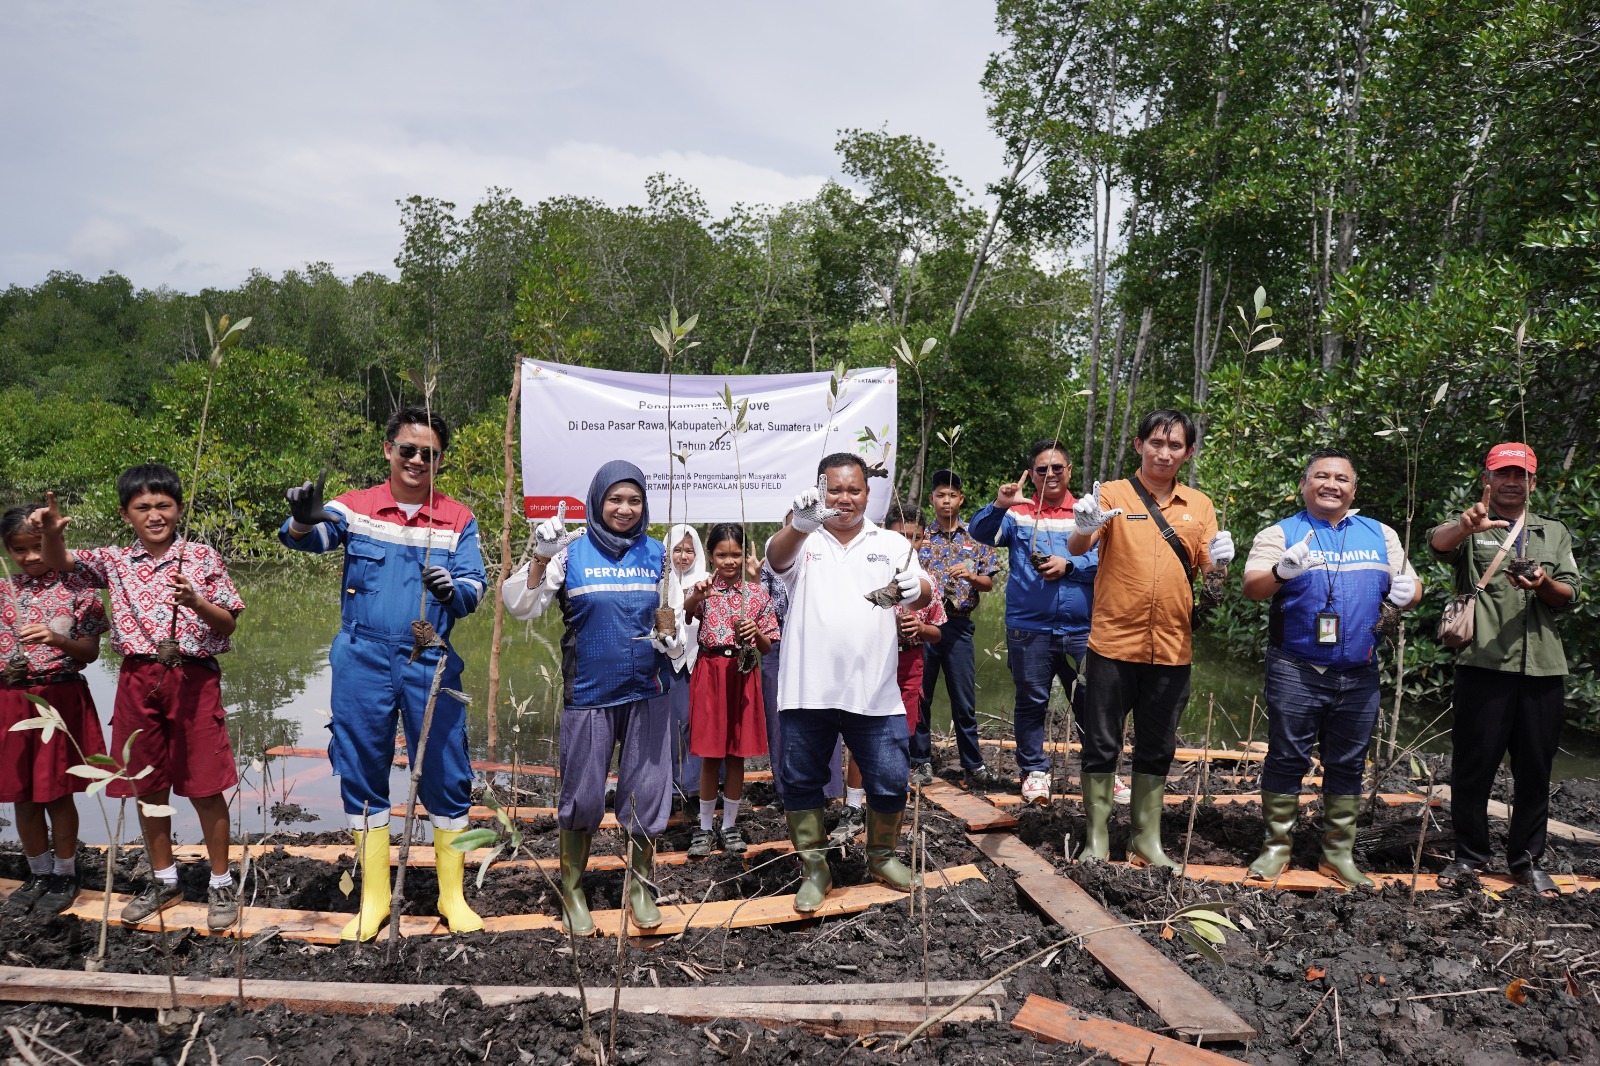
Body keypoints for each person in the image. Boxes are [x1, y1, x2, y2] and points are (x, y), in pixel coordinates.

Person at [280, 406, 487, 941]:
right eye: (409, 449)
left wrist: (452, 592)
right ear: (388, 450)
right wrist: (303, 517)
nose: (418, 459)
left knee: (445, 767)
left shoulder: (458, 519)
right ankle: (373, 898)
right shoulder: (355, 508)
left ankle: (451, 895)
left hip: (429, 656)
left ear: (440, 459)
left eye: (430, 453)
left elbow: (474, 589)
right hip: (363, 656)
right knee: (361, 765)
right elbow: (307, 537)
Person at [32, 466, 245, 931]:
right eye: (142, 507)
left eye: (163, 505)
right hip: (137, 677)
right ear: (126, 514)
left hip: (192, 676)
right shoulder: (114, 560)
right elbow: (60, 562)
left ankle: (222, 883)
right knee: (146, 782)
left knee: (206, 785)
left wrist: (196, 603)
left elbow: (227, 623)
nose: (155, 515)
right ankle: (165, 880)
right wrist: (49, 533)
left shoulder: (202, 557)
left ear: (180, 509)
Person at [502, 460, 681, 933]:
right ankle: (574, 891)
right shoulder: (570, 553)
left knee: (646, 792)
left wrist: (674, 640)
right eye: (615, 499)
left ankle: (641, 886)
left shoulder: (659, 555)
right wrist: (538, 558)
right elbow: (520, 605)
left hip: (650, 691)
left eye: (634, 500)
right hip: (590, 694)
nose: (625, 509)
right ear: (597, 501)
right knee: (582, 796)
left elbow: (679, 624)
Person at [1240, 450, 1421, 887]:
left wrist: (1408, 593)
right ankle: (1276, 848)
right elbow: (1252, 588)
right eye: (1321, 476)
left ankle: (1337, 854)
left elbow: (1412, 587)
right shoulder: (1281, 532)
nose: (1331, 484)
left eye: (1341, 478)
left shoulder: (1381, 534)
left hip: (1359, 671)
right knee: (1286, 757)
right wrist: (1282, 571)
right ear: (1304, 485)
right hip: (1296, 667)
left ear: (1353, 490)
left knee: (1349, 762)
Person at [1066, 410, 1233, 868]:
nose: (1165, 452)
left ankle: (1146, 840)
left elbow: (1211, 579)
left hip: (1173, 648)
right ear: (1139, 445)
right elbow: (1078, 548)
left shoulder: (1200, 505)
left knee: (1158, 744)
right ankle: (1097, 838)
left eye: (1175, 445)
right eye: (1156, 443)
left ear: (1189, 452)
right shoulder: (1113, 494)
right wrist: (1083, 524)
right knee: (1102, 743)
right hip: (1113, 644)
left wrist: (1222, 561)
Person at [766, 453, 932, 913]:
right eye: (834, 490)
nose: (844, 499)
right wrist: (799, 526)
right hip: (806, 687)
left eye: (853, 490)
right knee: (800, 781)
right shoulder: (802, 538)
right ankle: (815, 868)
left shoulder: (891, 542)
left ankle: (881, 856)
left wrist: (915, 588)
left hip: (874, 690)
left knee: (891, 778)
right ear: (821, 491)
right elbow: (776, 560)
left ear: (867, 493)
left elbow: (925, 589)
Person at [1429, 442, 1578, 898]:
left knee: (1535, 769)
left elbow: (1569, 594)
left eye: (1521, 475)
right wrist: (1462, 526)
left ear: (1533, 482)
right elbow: (1439, 544)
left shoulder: (1553, 532)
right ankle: (1470, 855)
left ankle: (1527, 861)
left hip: (1544, 671)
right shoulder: (1471, 524)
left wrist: (1543, 582)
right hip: (1484, 665)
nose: (1511, 482)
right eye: (1502, 474)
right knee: (1474, 766)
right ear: (1486, 479)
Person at [971, 441, 1098, 805]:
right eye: (1042, 469)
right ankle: (1034, 772)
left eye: (1058, 467)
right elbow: (980, 535)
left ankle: (1098, 771)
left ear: (1070, 470)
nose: (1051, 474)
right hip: (1030, 628)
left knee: (1092, 701)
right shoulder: (1018, 513)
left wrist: (1070, 566)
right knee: (1031, 701)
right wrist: (1000, 504)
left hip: (1082, 629)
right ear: (1032, 474)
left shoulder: (1087, 512)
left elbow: (1107, 561)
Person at [0, 504, 109, 917]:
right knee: (23, 796)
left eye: (37, 546)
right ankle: (38, 872)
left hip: (60, 697)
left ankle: (65, 873)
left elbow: (91, 653)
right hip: (12, 700)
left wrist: (56, 640)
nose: (30, 558)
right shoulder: (1, 591)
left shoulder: (78, 590)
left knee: (58, 793)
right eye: (19, 550)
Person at [831, 505, 947, 843]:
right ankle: (853, 807)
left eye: (917, 537)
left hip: (909, 665)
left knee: (899, 738)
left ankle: (891, 812)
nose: (909, 543)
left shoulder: (927, 580)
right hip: (870, 663)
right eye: (901, 536)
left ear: (925, 541)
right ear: (886, 534)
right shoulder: (870, 573)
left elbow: (939, 631)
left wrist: (921, 627)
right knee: (861, 732)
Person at [682, 523, 779, 857]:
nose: (729, 561)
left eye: (735, 554)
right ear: (710, 555)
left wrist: (755, 634)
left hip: (743, 671)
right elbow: (685, 613)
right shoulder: (703, 589)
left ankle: (730, 826)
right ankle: (705, 828)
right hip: (710, 673)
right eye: (721, 554)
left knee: (737, 753)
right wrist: (697, 594)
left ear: (744, 553)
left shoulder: (757, 594)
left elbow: (767, 646)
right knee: (710, 754)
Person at [914, 470, 1002, 790]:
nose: (946, 501)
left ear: (961, 499)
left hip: (959, 625)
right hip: (924, 625)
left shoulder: (976, 535)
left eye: (952, 495)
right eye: (940, 495)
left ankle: (973, 764)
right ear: (932, 499)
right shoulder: (921, 538)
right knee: (921, 695)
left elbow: (989, 583)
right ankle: (920, 761)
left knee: (963, 700)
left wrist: (970, 577)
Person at [664, 524, 707, 818]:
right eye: (677, 549)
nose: (683, 556)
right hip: (668, 662)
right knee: (670, 728)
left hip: (700, 662)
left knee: (697, 726)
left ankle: (695, 791)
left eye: (689, 550)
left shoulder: (706, 582)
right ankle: (668, 789)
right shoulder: (662, 582)